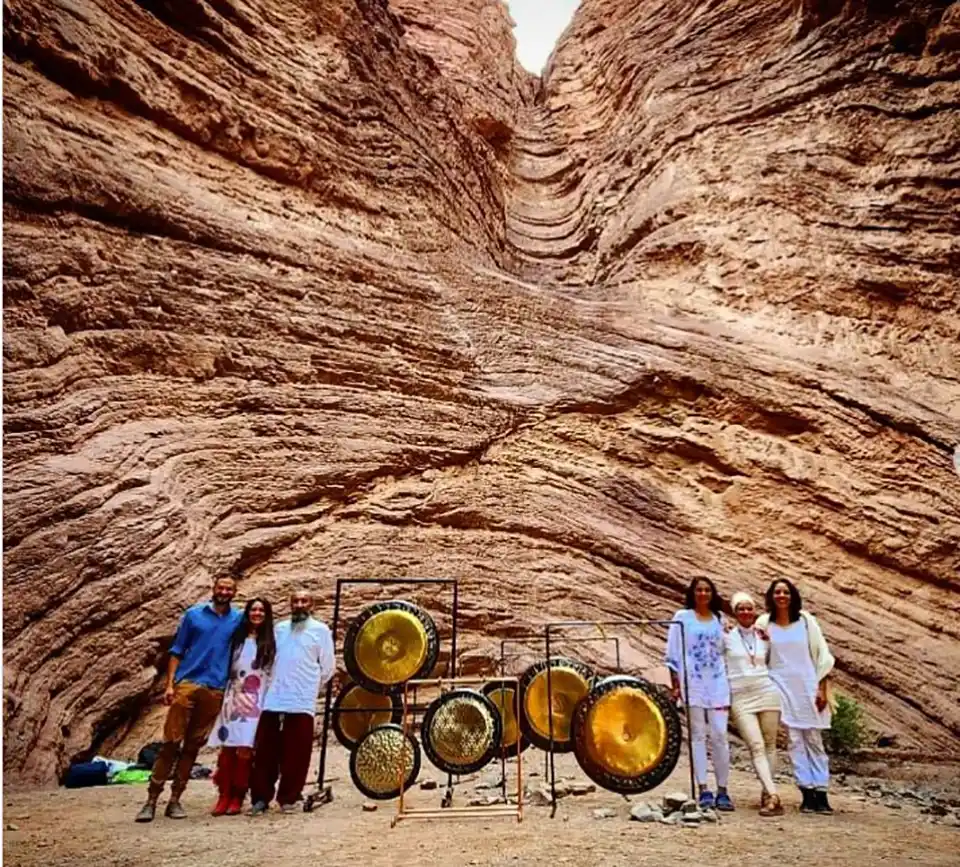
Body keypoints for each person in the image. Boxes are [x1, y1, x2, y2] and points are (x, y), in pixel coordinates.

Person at [135, 575, 243, 822]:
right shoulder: (194, 615)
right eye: (221, 587)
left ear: (234, 593)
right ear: (213, 589)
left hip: (215, 688)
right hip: (188, 684)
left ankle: (175, 800)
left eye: (229, 589)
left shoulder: (237, 620)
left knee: (193, 746)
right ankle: (151, 799)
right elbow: (177, 651)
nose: (224, 591)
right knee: (171, 742)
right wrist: (170, 685)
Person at [249, 589, 335, 814]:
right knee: (266, 750)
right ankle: (260, 797)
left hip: (301, 699)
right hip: (275, 697)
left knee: (297, 752)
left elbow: (327, 667)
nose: (299, 604)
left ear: (311, 605)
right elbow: (269, 660)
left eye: (304, 601)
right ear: (290, 605)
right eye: (295, 601)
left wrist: (309, 688)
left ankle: (288, 797)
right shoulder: (279, 629)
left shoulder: (321, 631)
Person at [755, 578, 836, 814]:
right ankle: (807, 792)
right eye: (777, 592)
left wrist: (821, 688)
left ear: (792, 596)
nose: (782, 596)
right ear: (771, 596)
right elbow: (756, 652)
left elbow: (823, 656)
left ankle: (821, 792)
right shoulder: (764, 623)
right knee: (795, 740)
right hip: (781, 686)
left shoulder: (806, 621)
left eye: (786, 592)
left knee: (814, 740)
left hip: (808, 686)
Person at [664, 576, 734, 811]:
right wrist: (675, 684)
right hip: (692, 682)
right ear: (692, 593)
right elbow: (673, 653)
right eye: (699, 590)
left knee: (720, 736)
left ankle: (723, 789)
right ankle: (704, 787)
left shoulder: (719, 619)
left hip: (717, 683)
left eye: (707, 590)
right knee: (697, 736)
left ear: (713, 594)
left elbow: (728, 649)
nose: (703, 594)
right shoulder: (682, 618)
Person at [207, 597, 276, 816]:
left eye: (261, 610)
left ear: (266, 615)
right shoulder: (236, 639)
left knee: (245, 748)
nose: (257, 614)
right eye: (253, 610)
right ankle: (223, 794)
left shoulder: (270, 642)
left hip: (255, 699)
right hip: (233, 696)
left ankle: (238, 795)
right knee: (227, 746)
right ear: (247, 613)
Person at [724, 591, 783, 816]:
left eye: (749, 608)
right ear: (735, 612)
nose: (746, 612)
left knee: (769, 745)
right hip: (740, 696)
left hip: (767, 691)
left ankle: (767, 795)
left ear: (754, 611)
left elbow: (775, 661)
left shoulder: (763, 636)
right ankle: (773, 794)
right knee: (755, 746)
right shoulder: (726, 636)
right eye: (741, 609)